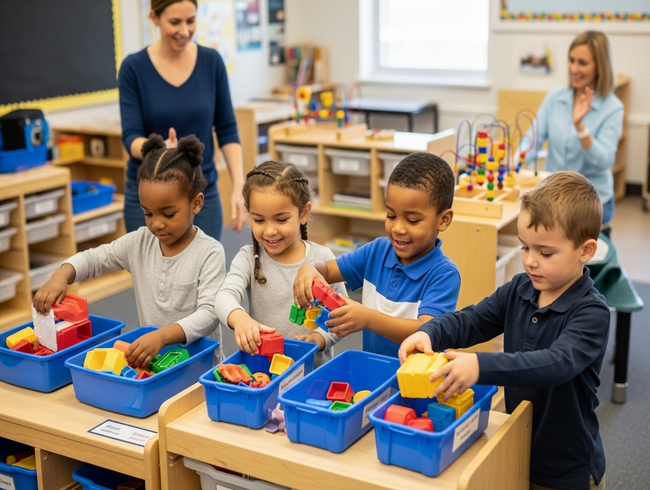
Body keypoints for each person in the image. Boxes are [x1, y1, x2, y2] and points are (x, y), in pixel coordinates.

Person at [399, 171, 609, 490]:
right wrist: (431, 332)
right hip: (519, 444)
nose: (531, 262)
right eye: (525, 248)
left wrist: (480, 366)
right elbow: (474, 319)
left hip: (566, 468)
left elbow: (555, 363)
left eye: (545, 252)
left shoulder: (591, 312)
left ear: (585, 250)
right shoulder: (520, 289)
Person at [33, 134, 226, 365]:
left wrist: (163, 336)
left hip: (200, 366)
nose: (156, 223)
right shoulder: (139, 242)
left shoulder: (210, 252)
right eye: (148, 213)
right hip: (154, 362)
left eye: (169, 214)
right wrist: (61, 275)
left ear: (196, 203)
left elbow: (209, 315)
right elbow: (94, 258)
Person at [293, 152, 460, 358]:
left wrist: (368, 319)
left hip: (418, 383)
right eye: (391, 215)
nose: (398, 228)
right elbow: (327, 269)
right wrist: (309, 268)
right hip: (373, 374)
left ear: (443, 220)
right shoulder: (377, 251)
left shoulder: (444, 274)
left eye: (413, 220)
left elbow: (426, 331)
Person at [118, 0, 246, 241]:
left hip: (200, 194)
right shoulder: (133, 68)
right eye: (174, 22)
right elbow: (131, 138)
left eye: (191, 21)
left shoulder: (211, 62)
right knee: (153, 277)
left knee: (206, 276)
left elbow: (227, 129)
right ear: (154, 18)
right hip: (149, 199)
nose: (185, 31)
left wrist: (239, 184)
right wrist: (159, 149)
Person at [215, 161, 344, 366]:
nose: (270, 231)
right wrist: (240, 319)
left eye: (281, 220)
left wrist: (318, 339)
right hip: (264, 371)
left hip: (313, 371)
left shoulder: (322, 259)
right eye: (259, 220)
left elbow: (341, 317)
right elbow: (223, 297)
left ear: (303, 213)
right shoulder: (248, 258)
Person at [524, 30, 623, 230]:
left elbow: (604, 161)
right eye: (571, 60)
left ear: (599, 67)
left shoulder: (613, 108)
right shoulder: (555, 97)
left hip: (592, 204)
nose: (574, 68)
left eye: (582, 63)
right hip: (553, 198)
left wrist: (580, 128)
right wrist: (515, 160)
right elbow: (532, 138)